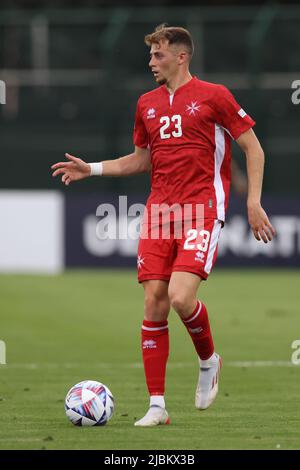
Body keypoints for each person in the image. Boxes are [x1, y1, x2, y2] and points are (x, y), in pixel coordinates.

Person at [51, 24, 275, 427]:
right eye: (151, 54)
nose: (151, 61)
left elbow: (253, 147)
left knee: (180, 298)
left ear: (181, 56)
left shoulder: (214, 96)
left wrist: (253, 201)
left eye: (158, 54)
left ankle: (208, 360)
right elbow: (141, 160)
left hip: (202, 208)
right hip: (159, 214)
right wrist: (93, 168)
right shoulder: (147, 104)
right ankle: (157, 405)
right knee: (154, 301)